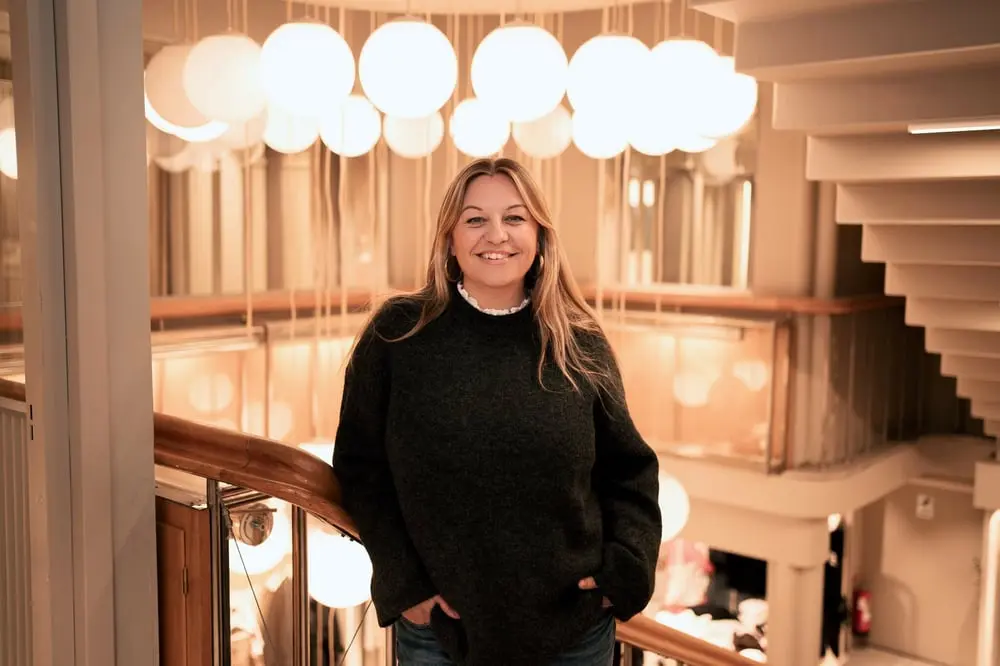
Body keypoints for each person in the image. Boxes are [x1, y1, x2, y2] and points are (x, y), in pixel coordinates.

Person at [332, 157, 662, 666]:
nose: (496, 235)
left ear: (539, 236)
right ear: (450, 237)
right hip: (440, 634)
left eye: (514, 218)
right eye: (475, 219)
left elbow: (630, 472)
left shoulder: (579, 343)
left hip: (572, 633)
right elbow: (360, 470)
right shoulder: (397, 335)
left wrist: (625, 572)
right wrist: (403, 582)